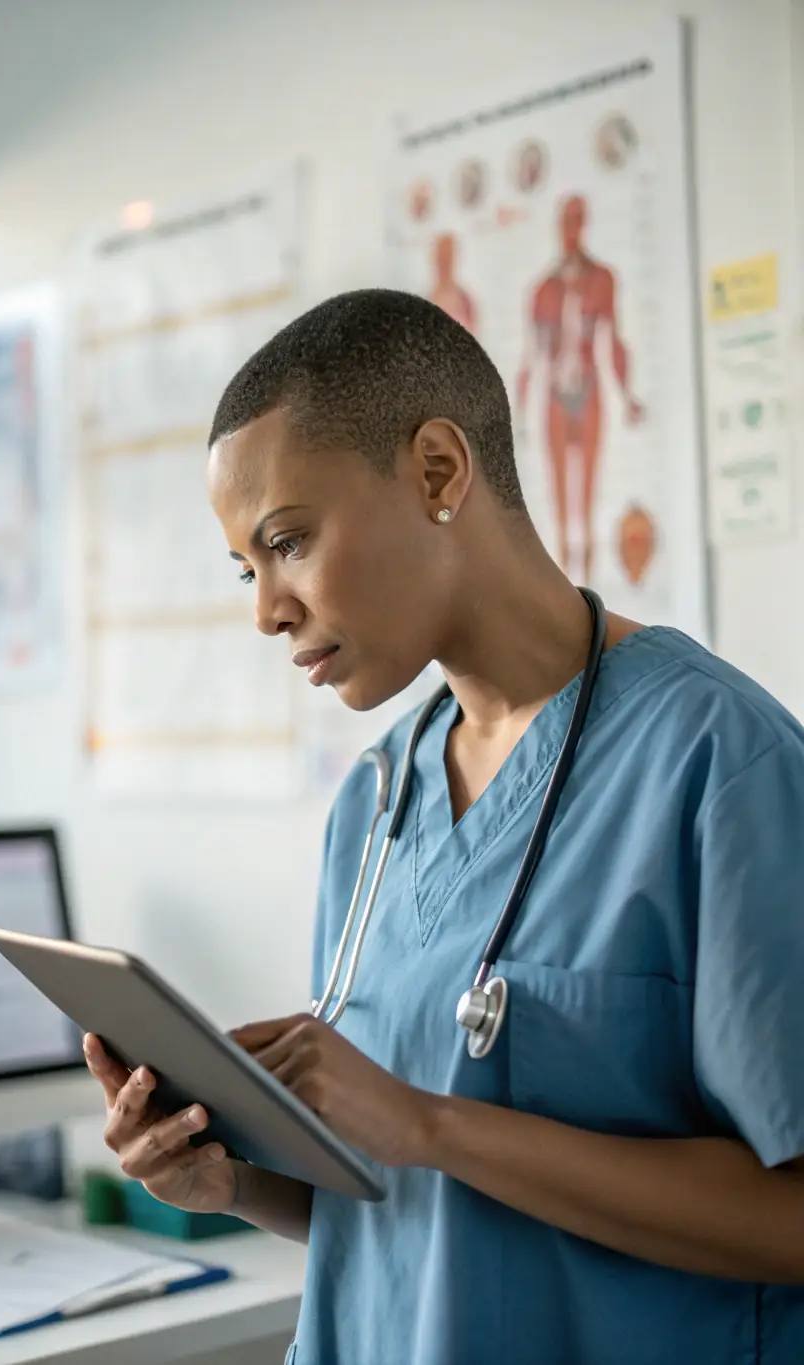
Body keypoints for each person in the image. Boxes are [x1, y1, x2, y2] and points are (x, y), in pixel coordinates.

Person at [84, 289, 804, 1365]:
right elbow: (400, 1210)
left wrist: (431, 1122)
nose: (265, 609)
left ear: (436, 471)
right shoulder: (376, 806)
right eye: (247, 568)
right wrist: (229, 1179)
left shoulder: (715, 762)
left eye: (287, 541)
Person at [516, 194, 644, 582]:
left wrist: (627, 395)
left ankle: (587, 588)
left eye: (577, 221)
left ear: (584, 225)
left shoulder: (602, 280)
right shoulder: (542, 290)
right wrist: (517, 412)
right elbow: (531, 355)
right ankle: (562, 586)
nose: (570, 231)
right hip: (555, 394)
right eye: (565, 222)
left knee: (585, 495)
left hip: (587, 389)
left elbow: (614, 340)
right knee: (558, 498)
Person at [428, 232, 479, 332]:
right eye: (441, 256)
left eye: (448, 256)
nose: (444, 262)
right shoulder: (423, 300)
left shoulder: (466, 303)